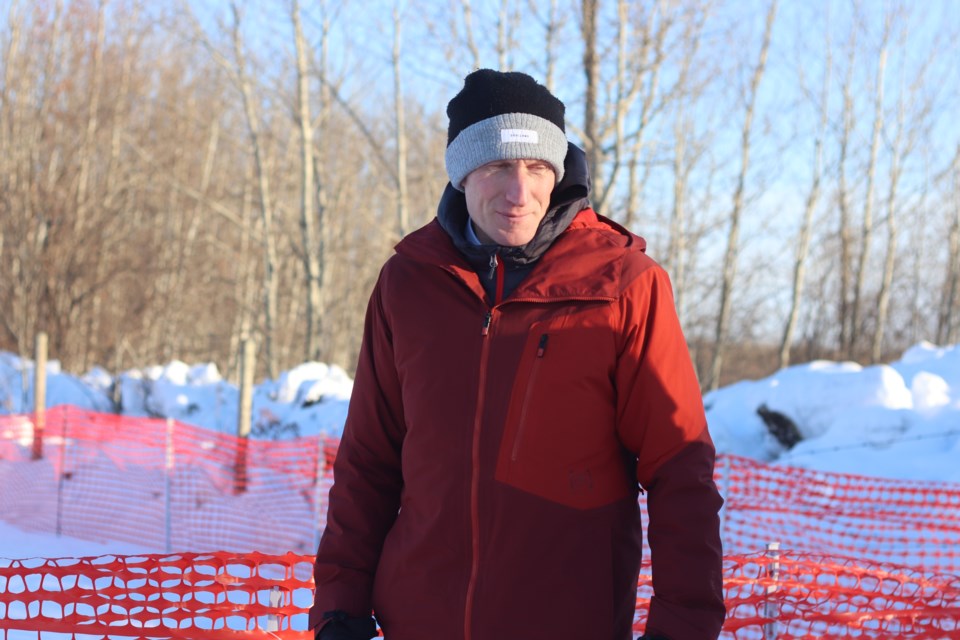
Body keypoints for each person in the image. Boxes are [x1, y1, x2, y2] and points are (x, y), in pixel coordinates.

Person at [310, 69, 726, 640]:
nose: (519, 192)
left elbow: (680, 472)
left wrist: (684, 626)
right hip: (419, 620)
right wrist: (340, 604)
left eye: (536, 169)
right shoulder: (408, 282)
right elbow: (368, 461)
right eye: (497, 166)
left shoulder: (624, 286)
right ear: (461, 174)